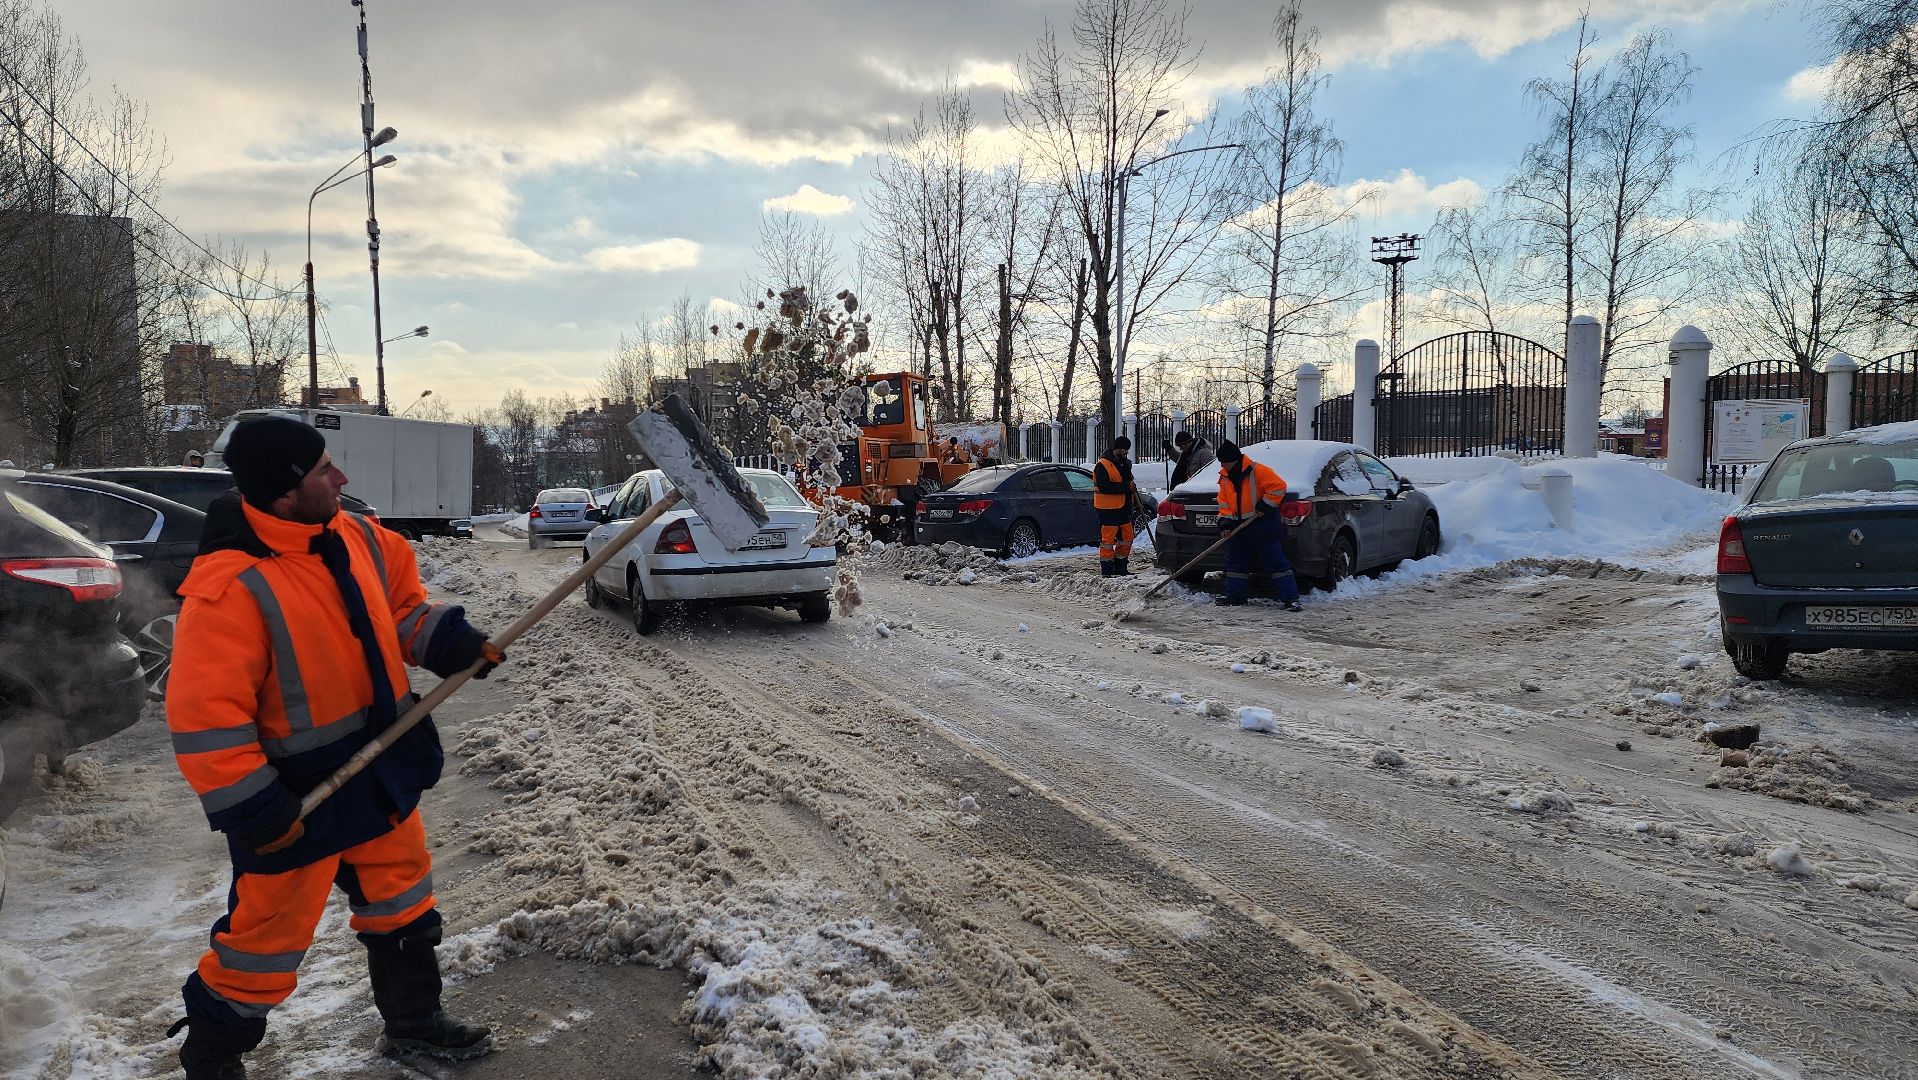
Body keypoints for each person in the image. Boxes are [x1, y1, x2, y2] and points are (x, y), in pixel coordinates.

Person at [164, 416, 503, 1078]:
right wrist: (255, 806)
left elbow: (402, 610)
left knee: (401, 896)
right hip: (294, 795)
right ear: (285, 492)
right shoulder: (232, 585)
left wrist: (451, 643)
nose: (341, 478)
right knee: (264, 942)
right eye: (324, 470)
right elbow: (207, 717)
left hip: (380, 763)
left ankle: (414, 1024)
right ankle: (211, 1059)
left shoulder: (355, 536)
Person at [1214, 440, 1302, 611]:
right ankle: (1235, 597)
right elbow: (1224, 502)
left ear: (1233, 460)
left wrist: (1265, 505)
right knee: (1236, 564)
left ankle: (1291, 599)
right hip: (1239, 527)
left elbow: (1278, 488)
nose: (1222, 465)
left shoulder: (1259, 471)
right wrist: (1225, 523)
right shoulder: (1225, 477)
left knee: (1276, 563)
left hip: (1262, 524)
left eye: (1224, 461)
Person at [1092, 436, 1142, 577]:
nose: (1126, 453)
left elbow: (1128, 483)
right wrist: (1127, 486)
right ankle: (1107, 571)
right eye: (1124, 450)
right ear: (1117, 448)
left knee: (1127, 537)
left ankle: (1120, 568)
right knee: (1108, 541)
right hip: (1107, 509)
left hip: (1122, 508)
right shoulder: (1102, 464)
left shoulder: (1124, 464)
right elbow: (1104, 487)